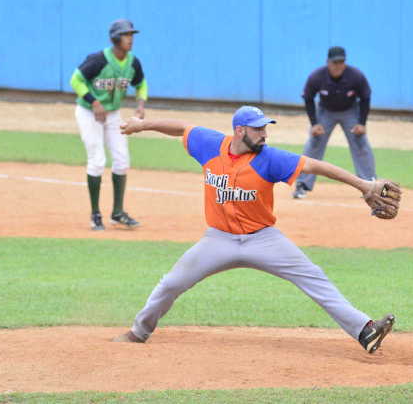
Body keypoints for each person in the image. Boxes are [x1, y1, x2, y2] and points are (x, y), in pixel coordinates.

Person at [111, 105, 398, 354]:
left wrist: (363, 185)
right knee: (172, 283)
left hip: (264, 239)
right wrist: (140, 125)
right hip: (218, 239)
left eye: (265, 128)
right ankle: (138, 332)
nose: (264, 134)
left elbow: (315, 166)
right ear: (239, 131)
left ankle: (365, 330)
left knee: (313, 277)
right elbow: (182, 127)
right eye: (258, 129)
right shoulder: (209, 144)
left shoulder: (270, 158)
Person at [70, 18, 148, 231]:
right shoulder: (98, 60)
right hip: (89, 114)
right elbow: (76, 80)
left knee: (122, 161)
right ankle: (95, 215)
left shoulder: (133, 62)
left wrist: (140, 104)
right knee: (97, 160)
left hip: (112, 114)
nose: (130, 39)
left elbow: (141, 84)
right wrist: (93, 102)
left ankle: (117, 213)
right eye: (126, 35)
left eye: (131, 35)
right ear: (115, 38)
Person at [293, 46, 376, 199]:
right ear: (328, 62)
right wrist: (314, 123)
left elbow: (365, 97)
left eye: (341, 62)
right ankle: (302, 184)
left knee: (360, 142)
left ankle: (370, 184)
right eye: (335, 62)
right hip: (325, 112)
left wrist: (361, 123)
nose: (338, 65)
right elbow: (308, 98)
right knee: (314, 142)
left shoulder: (355, 76)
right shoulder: (317, 76)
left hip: (350, 111)